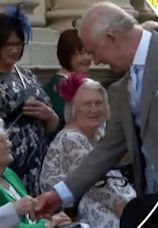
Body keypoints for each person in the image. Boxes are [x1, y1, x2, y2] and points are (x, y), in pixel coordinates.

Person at [34, 1, 158, 220]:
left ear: (112, 38)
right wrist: (59, 195)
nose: (96, 61)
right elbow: (108, 148)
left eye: (95, 51)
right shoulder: (122, 87)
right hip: (152, 203)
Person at [40, 76, 137, 227]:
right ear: (74, 108)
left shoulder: (99, 133)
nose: (94, 109)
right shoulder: (71, 138)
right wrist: (129, 212)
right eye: (87, 104)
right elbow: (96, 186)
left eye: (98, 103)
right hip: (74, 211)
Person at [0, 5, 59, 195]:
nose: (14, 50)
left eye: (18, 44)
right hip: (8, 160)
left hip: (38, 158)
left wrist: (49, 116)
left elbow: (53, 122)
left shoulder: (27, 75)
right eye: (8, 44)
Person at [0, 118, 71, 228]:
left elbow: (27, 219)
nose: (9, 144)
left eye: (7, 139)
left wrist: (41, 217)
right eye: (1, 141)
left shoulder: (8, 174)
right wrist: (46, 225)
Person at [43, 29, 92, 126]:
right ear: (67, 54)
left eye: (89, 52)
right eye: (81, 53)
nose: (87, 58)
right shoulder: (59, 86)